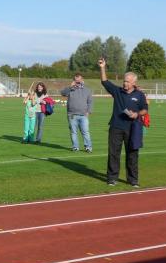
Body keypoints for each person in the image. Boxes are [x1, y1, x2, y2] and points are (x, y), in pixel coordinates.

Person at [98, 58, 148, 187]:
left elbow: (145, 109)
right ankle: (112, 178)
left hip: (133, 128)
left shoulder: (140, 95)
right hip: (116, 127)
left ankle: (133, 180)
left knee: (132, 154)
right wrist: (102, 67)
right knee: (114, 153)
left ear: (134, 83)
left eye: (127, 81)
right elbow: (104, 81)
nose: (125, 83)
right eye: (124, 81)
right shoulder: (117, 91)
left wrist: (136, 114)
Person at [60, 73, 94, 152]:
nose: (77, 82)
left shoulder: (87, 90)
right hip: (72, 115)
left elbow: (90, 102)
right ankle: (75, 147)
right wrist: (70, 87)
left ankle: (88, 147)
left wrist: (89, 111)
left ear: (82, 80)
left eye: (79, 80)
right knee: (73, 132)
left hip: (83, 115)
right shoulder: (70, 89)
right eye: (76, 80)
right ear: (73, 81)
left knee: (85, 132)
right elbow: (63, 93)